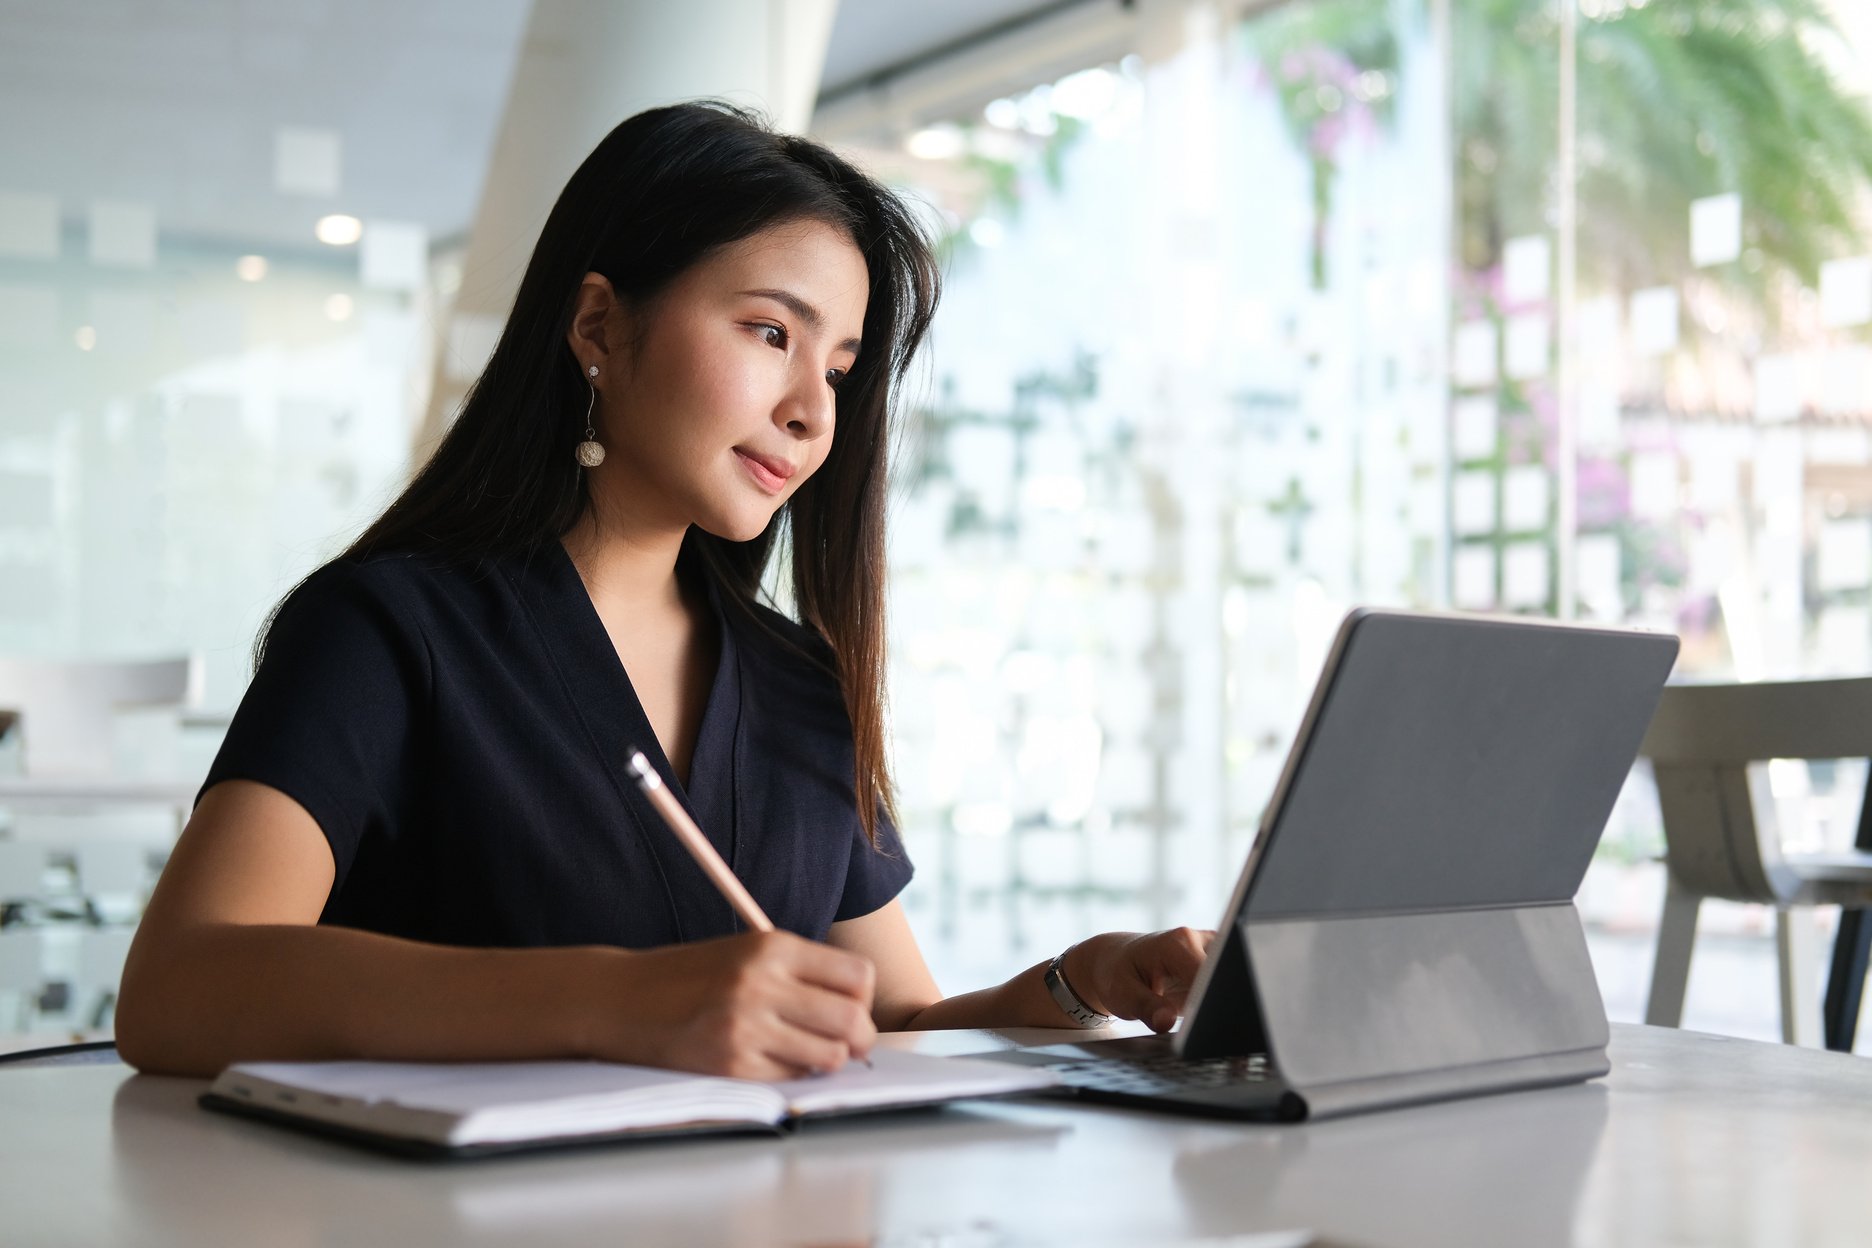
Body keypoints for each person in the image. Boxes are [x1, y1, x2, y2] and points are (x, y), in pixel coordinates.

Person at [116, 101, 1212, 1080]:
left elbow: (894, 1025)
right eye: (770, 332)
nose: (812, 411)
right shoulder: (391, 630)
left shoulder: (799, 683)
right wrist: (615, 1001)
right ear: (599, 327)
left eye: (836, 368)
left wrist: (1083, 987)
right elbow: (180, 989)